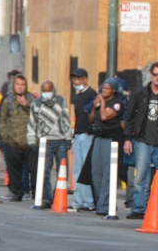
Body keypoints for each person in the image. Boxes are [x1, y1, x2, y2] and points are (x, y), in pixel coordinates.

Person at [123, 62, 158, 221]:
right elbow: (129, 117)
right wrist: (128, 139)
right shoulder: (139, 93)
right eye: (155, 74)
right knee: (140, 176)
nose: (157, 78)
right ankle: (139, 208)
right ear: (151, 74)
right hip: (142, 141)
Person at [27, 80, 73, 208]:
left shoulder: (60, 101)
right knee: (44, 171)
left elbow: (65, 119)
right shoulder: (36, 104)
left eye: (49, 90)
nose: (47, 93)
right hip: (45, 141)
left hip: (61, 140)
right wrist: (31, 140)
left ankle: (58, 195)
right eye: (44, 90)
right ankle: (47, 198)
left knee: (62, 171)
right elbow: (32, 123)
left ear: (53, 90)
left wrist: (68, 137)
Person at [89, 78, 127, 216]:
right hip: (98, 138)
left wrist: (102, 103)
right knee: (96, 173)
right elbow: (91, 119)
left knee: (107, 174)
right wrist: (94, 107)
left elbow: (105, 117)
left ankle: (105, 205)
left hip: (111, 139)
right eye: (102, 88)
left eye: (107, 89)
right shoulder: (99, 102)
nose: (103, 91)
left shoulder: (117, 104)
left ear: (114, 90)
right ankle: (100, 202)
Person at [0, 74, 33, 202]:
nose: (20, 87)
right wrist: (4, 137)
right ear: (14, 86)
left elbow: (38, 116)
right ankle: (16, 192)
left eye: (22, 85)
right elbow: (2, 120)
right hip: (12, 142)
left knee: (29, 169)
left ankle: (29, 191)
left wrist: (26, 105)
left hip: (28, 141)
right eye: (18, 84)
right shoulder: (8, 100)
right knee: (13, 169)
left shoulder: (31, 99)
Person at [70, 68, 98, 211]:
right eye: (74, 79)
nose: (76, 81)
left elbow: (95, 113)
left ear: (86, 79)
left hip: (86, 135)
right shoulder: (77, 96)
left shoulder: (91, 94)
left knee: (85, 170)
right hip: (78, 134)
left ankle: (89, 201)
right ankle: (78, 200)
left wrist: (89, 130)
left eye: (79, 79)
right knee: (77, 169)